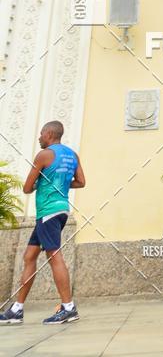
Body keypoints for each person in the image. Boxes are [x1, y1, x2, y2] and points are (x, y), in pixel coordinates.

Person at [0, 121, 85, 326]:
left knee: (54, 256)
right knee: (30, 256)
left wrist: (43, 183)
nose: (39, 137)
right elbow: (81, 182)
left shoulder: (44, 155)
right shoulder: (73, 155)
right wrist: (61, 183)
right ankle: (17, 309)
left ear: (48, 134)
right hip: (61, 210)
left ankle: (68, 307)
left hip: (48, 212)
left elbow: (27, 187)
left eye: (40, 134)